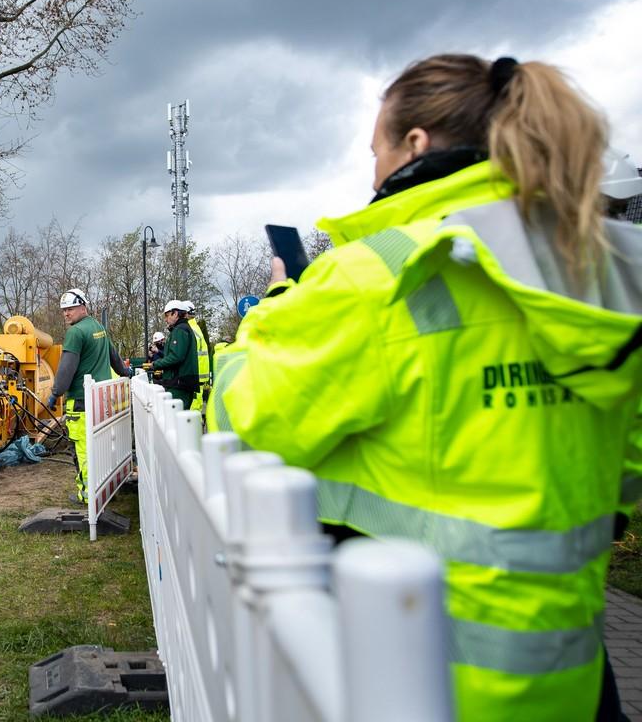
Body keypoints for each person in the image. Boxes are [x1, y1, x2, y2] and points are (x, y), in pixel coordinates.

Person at [208, 54, 642, 721]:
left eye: (376, 149)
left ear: (414, 144)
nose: (372, 168)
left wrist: (259, 324)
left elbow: (243, 419)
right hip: (573, 678)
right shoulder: (606, 267)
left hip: (419, 671)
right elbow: (628, 463)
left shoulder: (381, 275)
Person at [46, 289, 131, 503]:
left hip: (82, 402)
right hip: (101, 399)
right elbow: (115, 358)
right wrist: (126, 373)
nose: (66, 314)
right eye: (64, 310)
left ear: (83, 306)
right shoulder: (98, 328)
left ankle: (88, 496)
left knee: (83, 450)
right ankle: (103, 488)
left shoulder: (75, 333)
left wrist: (55, 394)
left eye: (71, 309)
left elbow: (66, 369)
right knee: (100, 446)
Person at [148, 300, 200, 411]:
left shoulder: (180, 330)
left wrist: (155, 364)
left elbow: (176, 357)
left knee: (175, 421)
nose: (166, 319)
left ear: (175, 313)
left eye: (167, 315)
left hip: (179, 384)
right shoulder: (184, 329)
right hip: (183, 383)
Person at [183, 302, 213, 411]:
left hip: (194, 375)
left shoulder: (189, 329)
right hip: (200, 376)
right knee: (198, 407)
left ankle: (194, 427)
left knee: (193, 410)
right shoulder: (196, 328)